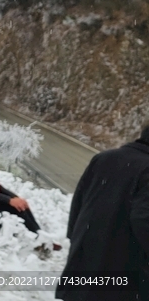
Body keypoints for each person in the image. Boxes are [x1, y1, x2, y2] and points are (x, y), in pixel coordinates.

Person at [55, 123, 149, 301]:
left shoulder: (104, 158)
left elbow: (78, 204)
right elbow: (144, 220)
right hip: (123, 277)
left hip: (84, 266)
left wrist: (78, 242)